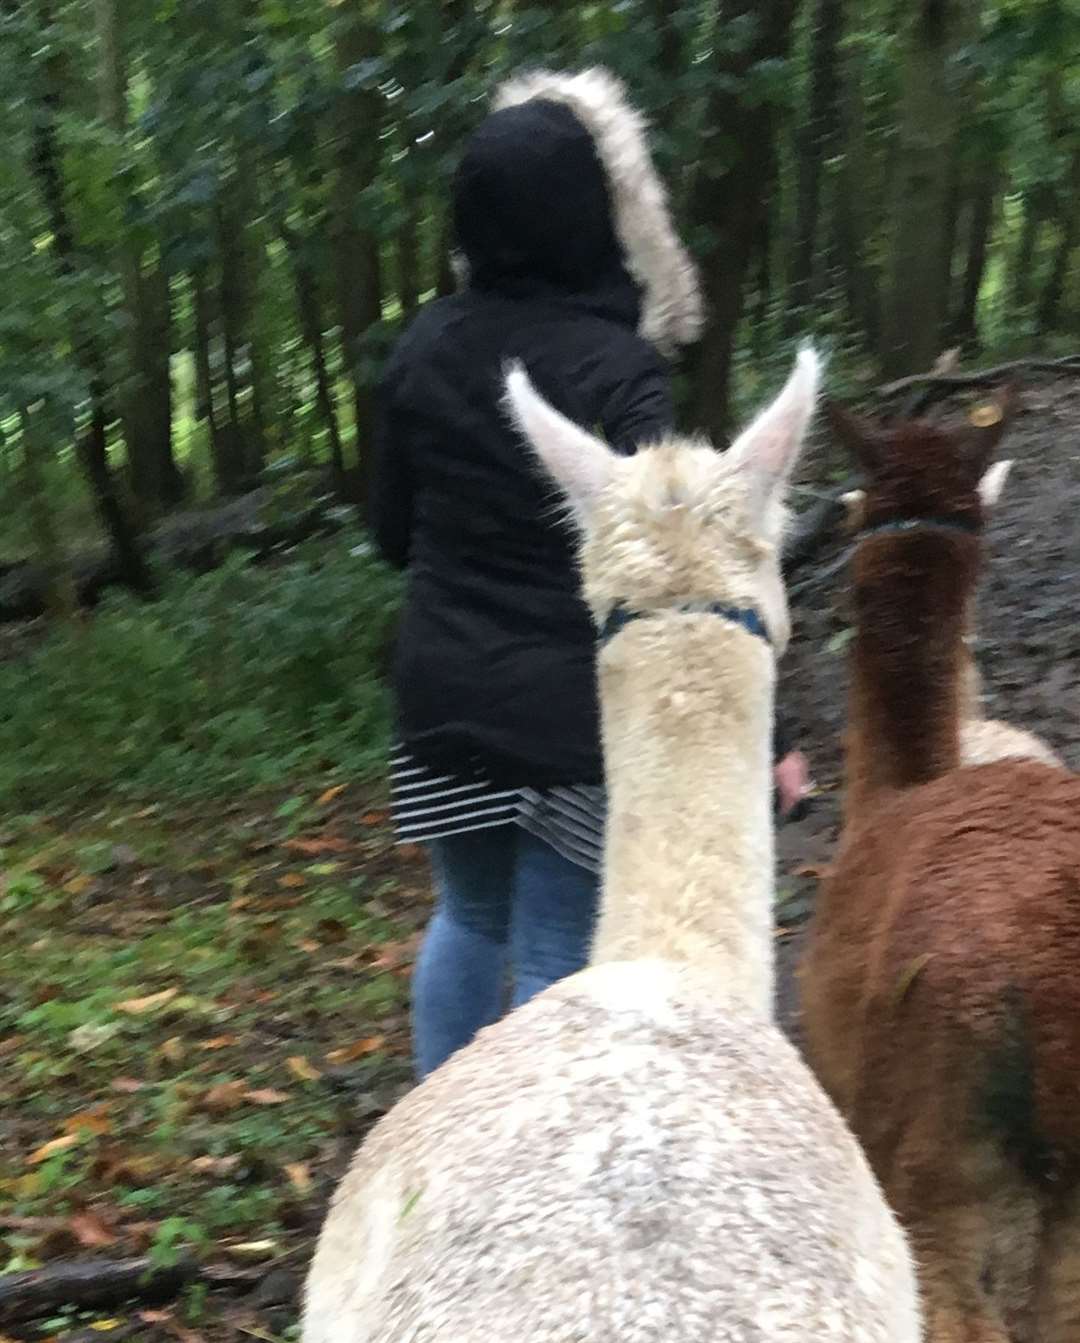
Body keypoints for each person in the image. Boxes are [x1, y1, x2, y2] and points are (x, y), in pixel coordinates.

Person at [369, 68, 808, 1080]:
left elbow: (391, 533)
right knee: (567, 945)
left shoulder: (421, 349)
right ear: (594, 218)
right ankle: (555, 1168)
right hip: (581, 716)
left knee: (469, 919)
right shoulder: (615, 366)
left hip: (442, 697)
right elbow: (690, 569)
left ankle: (448, 1146)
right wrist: (771, 742)